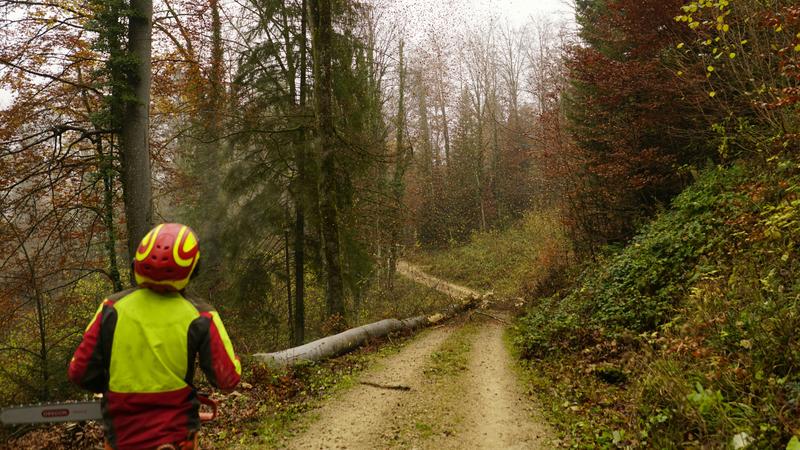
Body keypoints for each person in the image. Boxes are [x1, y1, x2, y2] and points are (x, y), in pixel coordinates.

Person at [68, 223, 241, 450]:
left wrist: (113, 387)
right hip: (177, 436)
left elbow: (79, 372)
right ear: (193, 269)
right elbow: (227, 378)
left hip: (122, 437)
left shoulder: (112, 307)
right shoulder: (201, 315)